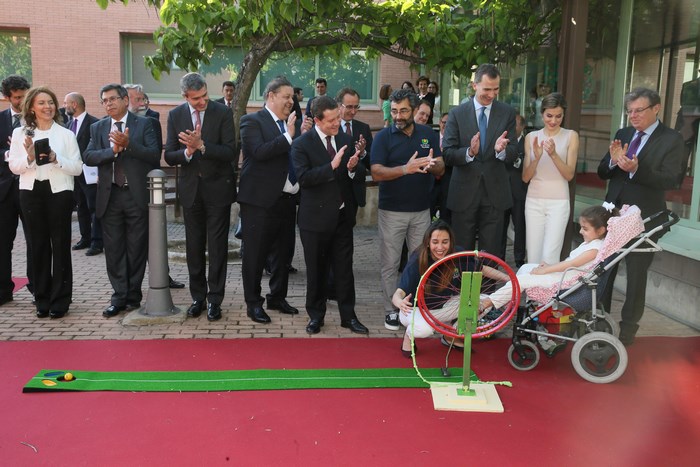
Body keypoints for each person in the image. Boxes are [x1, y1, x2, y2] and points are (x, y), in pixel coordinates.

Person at [597, 87, 684, 345]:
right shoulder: (623, 134)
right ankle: (599, 322)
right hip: (614, 215)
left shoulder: (672, 139)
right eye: (629, 111)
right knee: (604, 270)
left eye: (639, 111)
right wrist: (613, 163)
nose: (633, 116)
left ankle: (627, 332)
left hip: (645, 219)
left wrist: (637, 170)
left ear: (656, 108)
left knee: (636, 277)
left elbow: (672, 179)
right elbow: (604, 171)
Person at [291, 95, 368, 335]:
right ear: (317, 120)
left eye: (338, 117)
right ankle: (316, 316)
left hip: (342, 218)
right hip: (314, 221)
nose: (338, 122)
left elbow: (356, 173)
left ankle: (349, 316)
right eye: (332, 119)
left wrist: (354, 167)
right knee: (316, 270)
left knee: (345, 269)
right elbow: (303, 178)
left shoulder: (346, 139)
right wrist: (331, 167)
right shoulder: (301, 144)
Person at [164, 73, 237, 322]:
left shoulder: (223, 113)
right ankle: (198, 298)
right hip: (191, 191)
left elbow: (230, 152)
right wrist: (188, 151)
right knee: (194, 247)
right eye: (196, 99)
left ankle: (215, 299)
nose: (203, 101)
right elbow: (169, 156)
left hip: (218, 190)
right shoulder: (175, 115)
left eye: (205, 95)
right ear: (185, 96)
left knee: (217, 248)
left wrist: (203, 146)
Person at [84, 84, 160, 318]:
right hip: (110, 196)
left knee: (136, 248)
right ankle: (118, 296)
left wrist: (129, 145)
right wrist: (113, 151)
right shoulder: (97, 128)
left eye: (113, 99)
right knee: (114, 249)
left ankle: (133, 296)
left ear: (126, 100)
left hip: (135, 194)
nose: (109, 104)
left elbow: (154, 155)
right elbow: (88, 156)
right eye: (104, 100)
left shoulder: (145, 124)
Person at [370, 88, 444, 331]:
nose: (397, 116)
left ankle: (418, 306)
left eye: (403, 111)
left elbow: (441, 167)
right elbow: (376, 172)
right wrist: (406, 169)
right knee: (390, 263)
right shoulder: (383, 137)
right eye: (393, 111)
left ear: (414, 111)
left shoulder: (427, 134)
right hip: (392, 211)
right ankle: (392, 310)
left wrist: (432, 165)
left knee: (421, 262)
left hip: (422, 210)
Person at [8, 86, 82, 318]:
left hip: (59, 193)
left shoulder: (66, 134)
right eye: (41, 103)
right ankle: (42, 298)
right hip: (30, 193)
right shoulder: (21, 134)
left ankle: (60, 300)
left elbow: (78, 168)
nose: (47, 107)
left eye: (50, 102)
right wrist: (30, 157)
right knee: (37, 246)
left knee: (60, 246)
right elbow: (14, 167)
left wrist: (56, 159)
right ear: (31, 107)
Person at [238, 76, 302, 324]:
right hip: (259, 201)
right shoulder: (251, 121)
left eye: (292, 98)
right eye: (286, 96)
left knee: (284, 253)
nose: (290, 101)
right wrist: (288, 137)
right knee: (255, 255)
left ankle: (277, 297)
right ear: (271, 96)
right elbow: (258, 152)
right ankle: (253, 303)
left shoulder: (291, 124)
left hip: (286, 200)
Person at [392, 221, 507, 356]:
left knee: (486, 302)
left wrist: (509, 278)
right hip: (416, 310)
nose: (440, 247)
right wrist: (400, 302)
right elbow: (398, 293)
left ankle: (451, 335)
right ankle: (408, 335)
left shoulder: (457, 254)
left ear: (450, 242)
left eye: (445, 242)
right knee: (423, 330)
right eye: (435, 242)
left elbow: (481, 269)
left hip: (445, 305)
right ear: (428, 242)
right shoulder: (418, 259)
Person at [481, 205, 619, 312]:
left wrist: (546, 270)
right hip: (566, 276)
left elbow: (571, 264)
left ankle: (488, 303)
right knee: (525, 268)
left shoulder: (594, 250)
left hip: (565, 282)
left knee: (522, 280)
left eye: (585, 229)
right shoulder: (591, 244)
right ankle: (510, 299)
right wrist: (547, 267)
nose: (580, 231)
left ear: (600, 230)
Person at [442, 63, 518, 259]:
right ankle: (463, 290)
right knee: (462, 252)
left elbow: (514, 153)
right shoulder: (457, 114)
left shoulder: (507, 112)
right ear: (474, 85)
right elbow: (448, 154)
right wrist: (469, 152)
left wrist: (502, 151)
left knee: (491, 253)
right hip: (464, 194)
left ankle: (489, 290)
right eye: (487, 89)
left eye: (496, 89)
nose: (492, 95)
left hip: (495, 194)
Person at [124, 83, 185, 289]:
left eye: (143, 99)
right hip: (122, 189)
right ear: (125, 100)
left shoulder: (151, 122)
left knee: (154, 234)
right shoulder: (110, 125)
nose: (142, 103)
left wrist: (129, 146)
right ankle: (131, 283)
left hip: (147, 186)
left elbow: (154, 154)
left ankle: (162, 277)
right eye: (137, 99)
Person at [521, 93, 578, 265]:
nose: (553, 120)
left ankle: (549, 293)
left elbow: (569, 175)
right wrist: (537, 157)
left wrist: (553, 154)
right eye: (549, 116)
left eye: (558, 116)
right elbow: (525, 177)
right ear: (542, 113)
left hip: (559, 202)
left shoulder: (571, 136)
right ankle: (532, 293)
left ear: (564, 115)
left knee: (551, 256)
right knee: (533, 255)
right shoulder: (531, 138)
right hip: (534, 201)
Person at [0, 74, 34, 306]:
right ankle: (3, 291)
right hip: (4, 191)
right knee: (3, 243)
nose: (22, 102)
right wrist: (8, 154)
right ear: (7, 97)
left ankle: (37, 288)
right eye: (17, 98)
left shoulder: (36, 119)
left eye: (24, 96)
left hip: (31, 188)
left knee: (35, 240)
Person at [63, 92, 101, 256]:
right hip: (75, 174)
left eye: (66, 103)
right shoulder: (68, 125)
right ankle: (85, 238)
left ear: (75, 104)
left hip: (90, 173)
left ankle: (97, 242)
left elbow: (99, 149)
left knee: (94, 208)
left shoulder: (95, 123)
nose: (64, 106)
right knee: (81, 208)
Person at [337, 87, 372, 206]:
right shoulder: (330, 128)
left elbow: (371, 163)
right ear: (338, 106)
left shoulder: (364, 128)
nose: (353, 111)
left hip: (355, 192)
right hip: (333, 192)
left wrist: (363, 153)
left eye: (356, 107)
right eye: (349, 107)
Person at [500, 113, 528, 267]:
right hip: (503, 192)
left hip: (520, 193)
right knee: (501, 227)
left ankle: (519, 258)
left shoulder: (527, 143)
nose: (511, 128)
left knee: (520, 227)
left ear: (522, 127)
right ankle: (499, 257)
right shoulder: (504, 143)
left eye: (515, 124)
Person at [430, 112, 452, 224]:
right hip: (430, 182)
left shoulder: (453, 140)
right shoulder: (432, 137)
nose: (446, 125)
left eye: (449, 123)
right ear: (439, 123)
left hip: (446, 182)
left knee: (445, 215)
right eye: (444, 122)